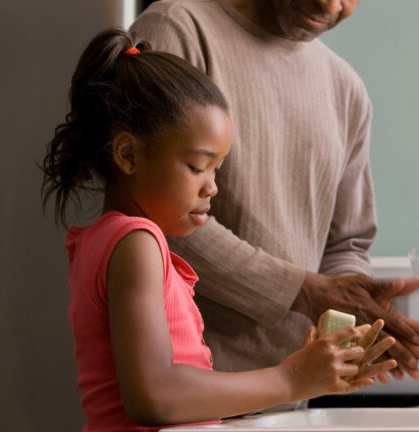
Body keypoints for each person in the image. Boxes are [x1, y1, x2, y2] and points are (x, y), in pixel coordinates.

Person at [41, 28, 398, 431]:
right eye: (197, 166)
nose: (212, 187)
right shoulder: (136, 243)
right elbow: (155, 396)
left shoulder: (109, 240)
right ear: (128, 154)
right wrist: (291, 378)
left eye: (217, 168)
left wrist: (303, 373)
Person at [129, 0, 419, 383]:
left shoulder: (345, 89)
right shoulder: (178, 29)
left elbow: (346, 244)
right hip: (190, 392)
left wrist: (351, 313)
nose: (329, 4)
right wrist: (306, 292)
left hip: (294, 396)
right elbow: (150, 210)